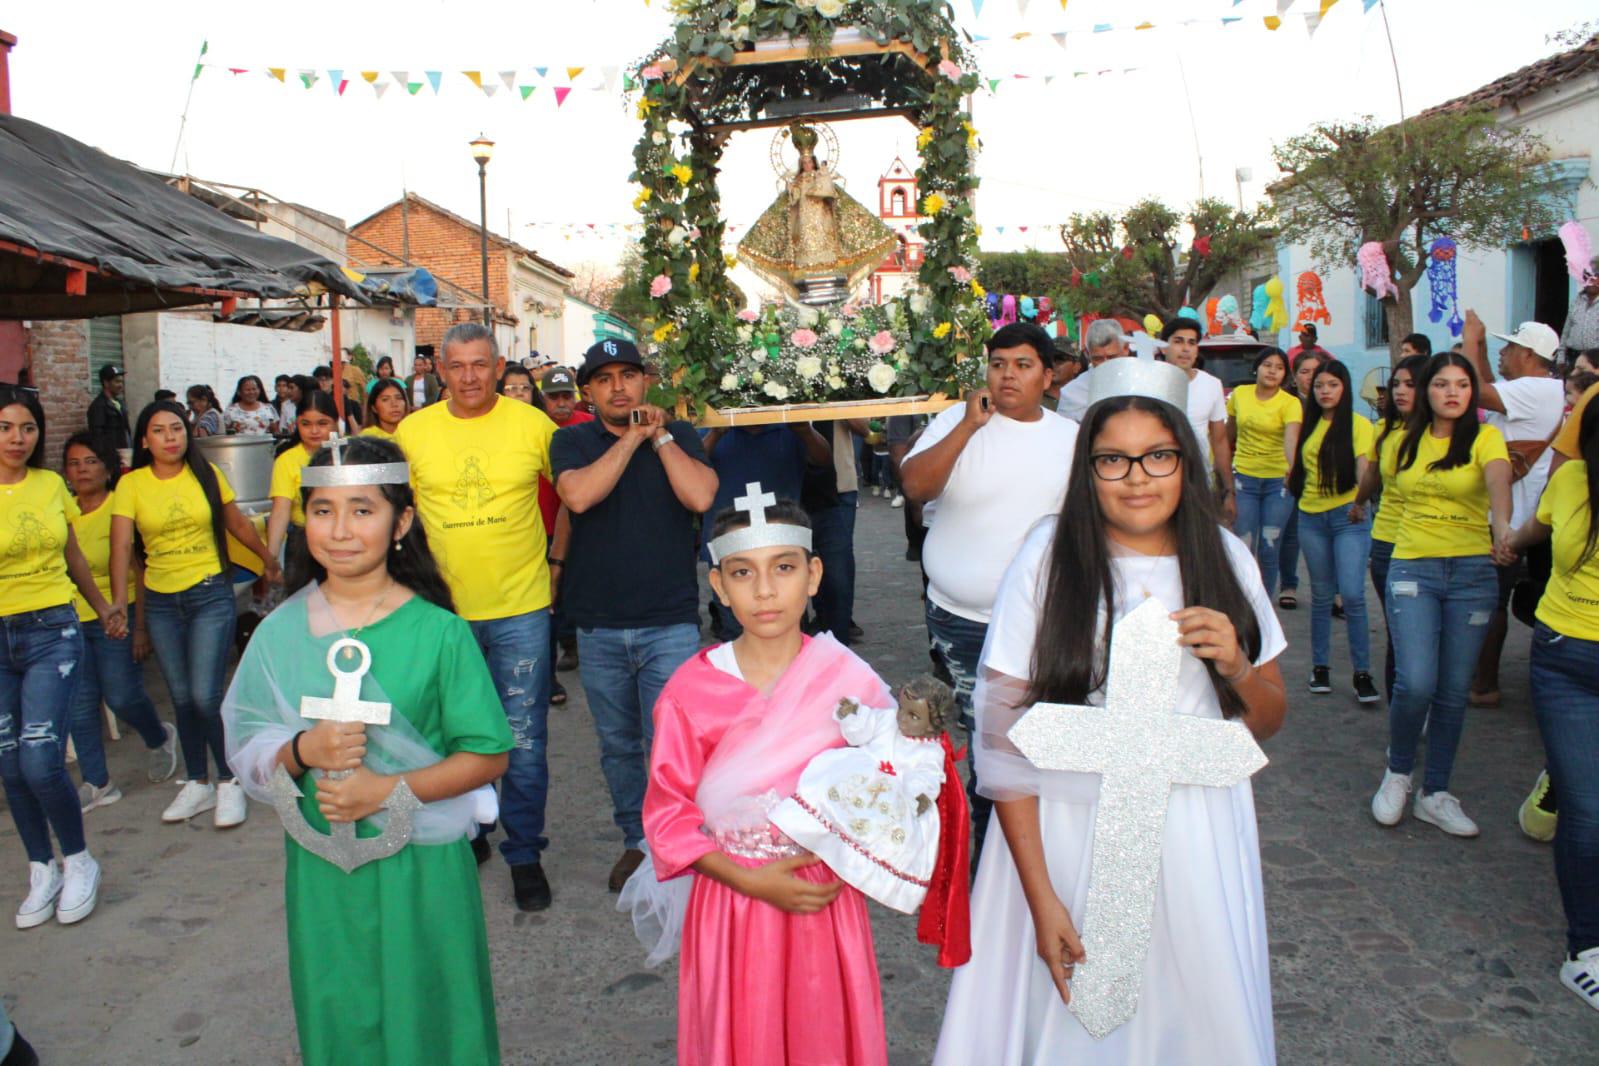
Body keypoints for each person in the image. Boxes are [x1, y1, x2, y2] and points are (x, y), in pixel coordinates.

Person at [934, 360, 1287, 1064]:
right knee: (1068, 1015)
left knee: (1191, 1010)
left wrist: (1237, 669)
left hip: (1192, 831)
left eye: (1157, 456)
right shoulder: (1048, 557)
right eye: (1112, 460)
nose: (1136, 478)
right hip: (1064, 833)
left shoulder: (1223, 559)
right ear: (1086, 469)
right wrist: (1039, 898)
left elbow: (1268, 718)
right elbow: (1003, 743)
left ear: (1185, 462)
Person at [222, 435, 512, 1065]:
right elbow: (246, 746)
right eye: (323, 510)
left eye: (363, 509)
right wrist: (303, 748)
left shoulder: (440, 632)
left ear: (401, 520)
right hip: (326, 872)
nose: (341, 530)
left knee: (433, 1013)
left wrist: (386, 790)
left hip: (423, 870)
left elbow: (488, 756)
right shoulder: (277, 633)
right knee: (341, 1011)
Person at [632, 494, 892, 1066]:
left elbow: (888, 781)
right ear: (719, 586)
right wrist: (746, 880)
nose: (766, 591)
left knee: (819, 1026)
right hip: (733, 899)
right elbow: (668, 814)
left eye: (784, 568)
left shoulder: (850, 681)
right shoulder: (690, 690)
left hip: (820, 894)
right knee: (744, 1028)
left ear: (814, 574)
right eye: (744, 574)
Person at [394, 322, 560, 911]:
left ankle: (524, 853)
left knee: (523, 740)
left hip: (521, 609)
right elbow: (396, 514)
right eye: (457, 365)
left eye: (480, 365)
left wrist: (558, 560)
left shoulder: (533, 425)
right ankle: (469, 831)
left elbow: (571, 492)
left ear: (498, 367)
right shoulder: (413, 432)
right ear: (441, 369)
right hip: (443, 616)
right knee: (454, 738)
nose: (469, 376)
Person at [901, 322, 1078, 860]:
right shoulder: (956, 421)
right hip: (962, 622)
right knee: (988, 751)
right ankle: (985, 878)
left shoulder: (1071, 438)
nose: (1007, 376)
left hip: (1043, 623)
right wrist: (968, 429)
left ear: (1049, 377)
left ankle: (1038, 864)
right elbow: (915, 486)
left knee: (1040, 745)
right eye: (998, 364)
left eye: (1023, 365)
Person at [552, 339, 717, 893]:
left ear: (646, 381)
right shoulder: (571, 439)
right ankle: (636, 841)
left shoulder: (681, 435)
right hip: (598, 626)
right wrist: (630, 439)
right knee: (619, 745)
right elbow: (578, 496)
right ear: (589, 392)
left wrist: (662, 437)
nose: (618, 386)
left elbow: (700, 497)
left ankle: (676, 840)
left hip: (669, 621)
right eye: (604, 379)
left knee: (670, 741)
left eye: (628, 375)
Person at [110, 399, 281, 829]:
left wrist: (266, 558)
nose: (171, 438)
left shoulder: (206, 474)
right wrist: (117, 602)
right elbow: (121, 549)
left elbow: (237, 523)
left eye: (177, 429)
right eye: (160, 431)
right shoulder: (131, 486)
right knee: (182, 696)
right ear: (145, 441)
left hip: (209, 593)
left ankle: (229, 781)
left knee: (206, 696)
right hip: (162, 600)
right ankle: (196, 781)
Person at [1369, 354, 1512, 838]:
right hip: (1413, 568)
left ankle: (1436, 793)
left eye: (1463, 385)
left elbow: (1498, 480)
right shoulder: (1401, 442)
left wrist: (1504, 526)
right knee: (1417, 682)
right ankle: (1398, 772)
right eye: (1443, 384)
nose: (1453, 392)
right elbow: (1387, 498)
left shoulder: (1487, 439)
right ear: (1427, 391)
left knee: (1453, 691)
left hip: (1473, 572)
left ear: (1472, 393)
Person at [2, 385, 118, 929]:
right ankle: (40, 867)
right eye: (5, 428)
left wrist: (103, 607)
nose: (17, 439)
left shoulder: (50, 484)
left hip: (52, 628)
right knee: (9, 764)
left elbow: (72, 551)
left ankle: (78, 858)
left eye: (27, 428)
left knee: (39, 759)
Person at [1500, 398, 1599, 1012]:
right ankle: (1585, 950)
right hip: (1565, 660)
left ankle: (1560, 775)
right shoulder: (1572, 480)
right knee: (1589, 815)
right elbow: (1541, 525)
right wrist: (1511, 540)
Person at [61, 433, 178, 814]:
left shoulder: (120, 507)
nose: (83, 470)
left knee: (122, 695)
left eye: (91, 461)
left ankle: (159, 737)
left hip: (117, 615)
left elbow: (140, 571)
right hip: (70, 618)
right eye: (75, 463)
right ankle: (97, 782)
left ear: (108, 468)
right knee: (79, 705)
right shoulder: (63, 511)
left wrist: (139, 625)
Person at [1461, 313, 1565, 708]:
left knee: (1492, 602)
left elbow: (1478, 390)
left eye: (1508, 348)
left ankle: (1485, 683)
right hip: (1526, 514)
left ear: (1527, 354)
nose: (1502, 353)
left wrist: (1471, 342)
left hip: (1512, 518)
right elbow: (1491, 384)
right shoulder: (1536, 389)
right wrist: (1482, 350)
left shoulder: (1536, 389)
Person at [1288, 360, 1378, 702]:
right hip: (1311, 518)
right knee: (1322, 596)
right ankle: (1320, 668)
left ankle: (1362, 673)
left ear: (1345, 388)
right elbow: (1296, 465)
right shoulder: (1307, 425)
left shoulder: (1358, 425)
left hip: (1349, 517)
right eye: (1321, 385)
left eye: (1333, 385)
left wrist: (1360, 501)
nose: (1325, 391)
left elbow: (1363, 466)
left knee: (1353, 595)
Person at [702, 421, 830, 641]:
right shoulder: (714, 428)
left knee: (789, 630)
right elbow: (693, 461)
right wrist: (716, 433)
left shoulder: (789, 428)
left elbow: (823, 459)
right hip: (729, 548)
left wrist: (805, 430)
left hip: (782, 546)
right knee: (735, 629)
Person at [1351, 354, 1431, 700]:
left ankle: (1425, 699)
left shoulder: (1444, 432)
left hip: (1431, 545)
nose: (1399, 392)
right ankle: (1401, 708)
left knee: (1429, 634)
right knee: (1400, 631)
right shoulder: (1384, 430)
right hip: (1388, 543)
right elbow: (1370, 473)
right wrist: (1358, 502)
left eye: (1410, 385)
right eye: (1395, 384)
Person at [1228, 348, 1303, 599]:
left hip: (1279, 483)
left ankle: (1264, 608)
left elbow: (1291, 439)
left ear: (1285, 374)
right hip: (1244, 480)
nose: (1272, 371)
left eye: (1279, 367)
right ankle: (1243, 603)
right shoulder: (1240, 395)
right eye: (1267, 365)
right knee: (1244, 545)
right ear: (1256, 368)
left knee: (1270, 548)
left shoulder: (1291, 403)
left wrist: (1293, 468)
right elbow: (1229, 436)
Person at [538, 367, 591, 680]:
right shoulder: (534, 427)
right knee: (550, 587)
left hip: (581, 520)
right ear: (544, 399)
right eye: (554, 397)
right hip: (543, 521)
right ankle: (561, 640)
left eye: (566, 396)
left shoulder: (589, 425)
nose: (561, 403)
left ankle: (574, 642)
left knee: (575, 582)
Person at [1161, 317, 1235, 523]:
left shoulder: (1211, 385)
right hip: (1158, 482)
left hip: (1198, 484)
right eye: (1178, 341)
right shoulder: (1150, 383)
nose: (1185, 349)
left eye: (1191, 343)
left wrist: (1228, 492)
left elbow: (1219, 441)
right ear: (1164, 347)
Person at [267, 390, 339, 574]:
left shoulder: (351, 454)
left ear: (335, 422)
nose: (314, 431)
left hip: (348, 538)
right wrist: (271, 558)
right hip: (303, 543)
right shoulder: (287, 460)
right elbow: (281, 510)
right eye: (305, 424)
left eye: (322, 423)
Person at [1276, 353, 1325, 609]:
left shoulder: (1330, 402)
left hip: (1324, 480)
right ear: (1294, 377)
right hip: (1294, 474)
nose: (1311, 377)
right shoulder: (1289, 403)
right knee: (1291, 532)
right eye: (1304, 371)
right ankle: (1289, 585)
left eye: (1316, 371)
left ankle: (1333, 591)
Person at [1057, 319, 1132, 421]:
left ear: (1125, 348)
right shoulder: (1072, 394)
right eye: (1098, 359)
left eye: (1112, 357)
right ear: (1087, 354)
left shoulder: (1143, 383)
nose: (1106, 365)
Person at [1560, 255, 1599, 364]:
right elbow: (1566, 332)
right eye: (1589, 276)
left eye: (1597, 276)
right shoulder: (1576, 302)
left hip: (1596, 360)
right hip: (1574, 358)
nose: (1593, 280)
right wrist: (1561, 358)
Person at [86, 364, 131, 458]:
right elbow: (97, 436)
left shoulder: (120, 403)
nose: (121, 385)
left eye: (122, 382)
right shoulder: (98, 406)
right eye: (117, 382)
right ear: (106, 383)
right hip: (112, 456)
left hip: (125, 453)